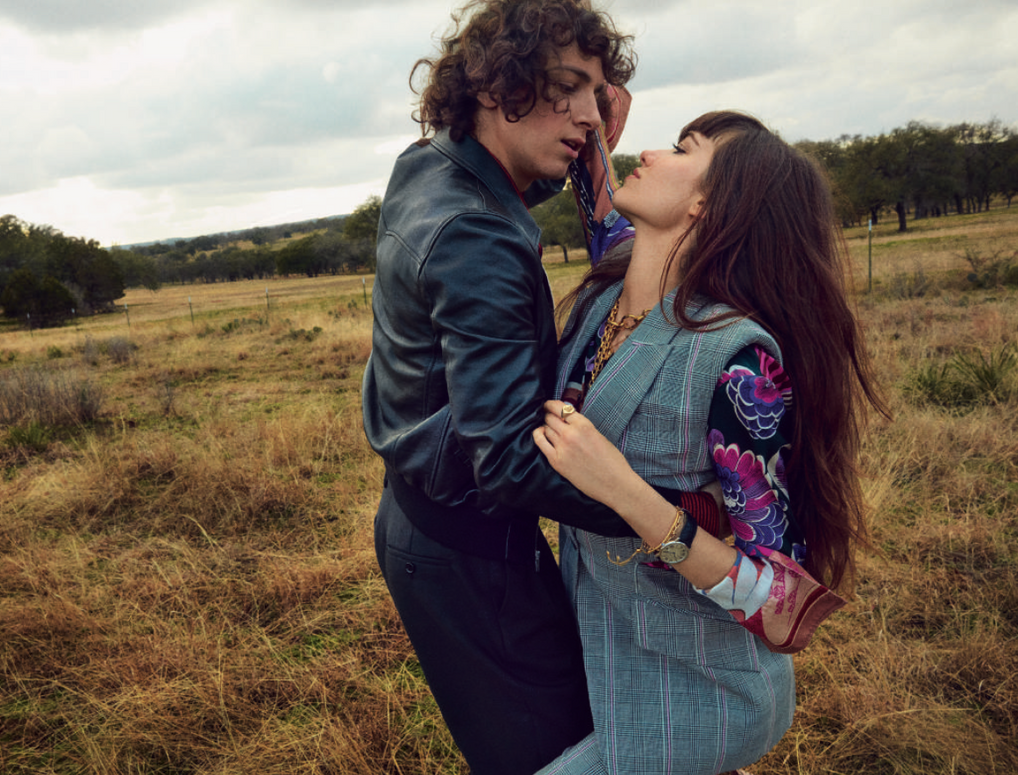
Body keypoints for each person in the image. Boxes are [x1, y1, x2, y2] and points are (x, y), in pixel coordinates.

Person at [360, 3, 721, 773]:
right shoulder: (477, 240)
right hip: (468, 549)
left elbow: (504, 196)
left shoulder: (429, 166)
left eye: (599, 96)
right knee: (554, 753)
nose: (591, 116)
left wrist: (592, 159)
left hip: (426, 517)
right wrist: (672, 513)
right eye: (572, 88)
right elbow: (508, 463)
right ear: (499, 83)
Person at [532, 110, 889, 774]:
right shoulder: (609, 300)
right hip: (606, 657)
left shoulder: (738, 361)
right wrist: (586, 107)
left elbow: (778, 599)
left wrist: (623, 490)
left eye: (680, 149)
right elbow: (601, 202)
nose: (649, 152)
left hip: (699, 688)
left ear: (707, 203)